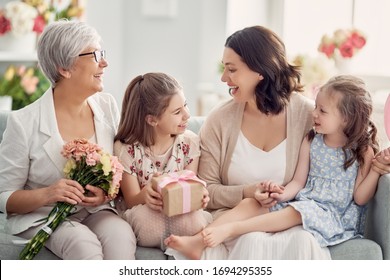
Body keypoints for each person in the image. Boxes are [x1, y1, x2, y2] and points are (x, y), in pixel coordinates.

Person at [165, 75, 380, 259]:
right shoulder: (312, 140)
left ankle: (231, 229)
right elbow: (298, 182)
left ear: (347, 118)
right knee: (253, 202)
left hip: (334, 214)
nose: (314, 114)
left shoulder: (362, 151)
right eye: (316, 107)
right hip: (304, 201)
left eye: (322, 111)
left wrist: (376, 171)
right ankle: (197, 242)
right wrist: (278, 194)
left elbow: (360, 198)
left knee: (298, 212)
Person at [179, 25, 331, 260]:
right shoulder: (220, 120)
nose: (223, 78)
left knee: (301, 241)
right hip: (232, 221)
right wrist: (246, 192)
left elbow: (346, 143)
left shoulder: (308, 116)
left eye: (231, 69)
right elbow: (205, 189)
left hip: (285, 222)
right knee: (251, 239)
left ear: (260, 70)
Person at [0, 20, 136, 260]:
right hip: (43, 213)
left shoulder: (107, 106)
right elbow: (5, 196)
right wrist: (49, 194)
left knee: (121, 234)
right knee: (81, 242)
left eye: (102, 53)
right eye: (95, 55)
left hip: (94, 211)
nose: (104, 62)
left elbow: (118, 171)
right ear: (65, 68)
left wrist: (105, 194)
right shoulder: (23, 122)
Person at [114, 72, 212, 250]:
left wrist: (200, 196)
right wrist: (146, 194)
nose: (187, 115)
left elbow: (192, 184)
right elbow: (131, 201)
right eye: (177, 112)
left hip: (182, 212)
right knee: (144, 219)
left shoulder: (189, 142)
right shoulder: (126, 149)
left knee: (195, 219)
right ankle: (177, 241)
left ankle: (181, 243)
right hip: (146, 214)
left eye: (185, 106)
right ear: (152, 120)